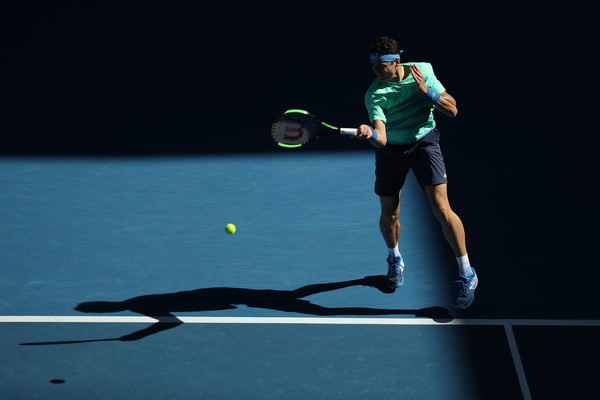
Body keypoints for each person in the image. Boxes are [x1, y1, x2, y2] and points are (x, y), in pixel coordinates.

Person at [352, 36, 478, 309]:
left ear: (396, 61)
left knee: (442, 209)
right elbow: (382, 139)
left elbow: (453, 109)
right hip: (392, 151)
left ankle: (467, 272)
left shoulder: (423, 71)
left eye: (380, 65)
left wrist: (427, 92)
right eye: (372, 64)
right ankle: (394, 257)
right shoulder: (374, 94)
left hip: (424, 143)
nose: (374, 70)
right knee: (391, 213)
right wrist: (370, 132)